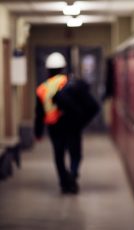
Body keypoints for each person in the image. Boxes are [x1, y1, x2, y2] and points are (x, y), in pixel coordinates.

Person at [34, 52, 82, 194]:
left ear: (48, 70)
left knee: (59, 154)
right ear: (63, 68)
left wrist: (38, 132)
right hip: (71, 124)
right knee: (75, 153)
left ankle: (64, 181)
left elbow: (39, 113)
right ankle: (72, 177)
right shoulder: (70, 83)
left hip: (54, 126)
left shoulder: (42, 89)